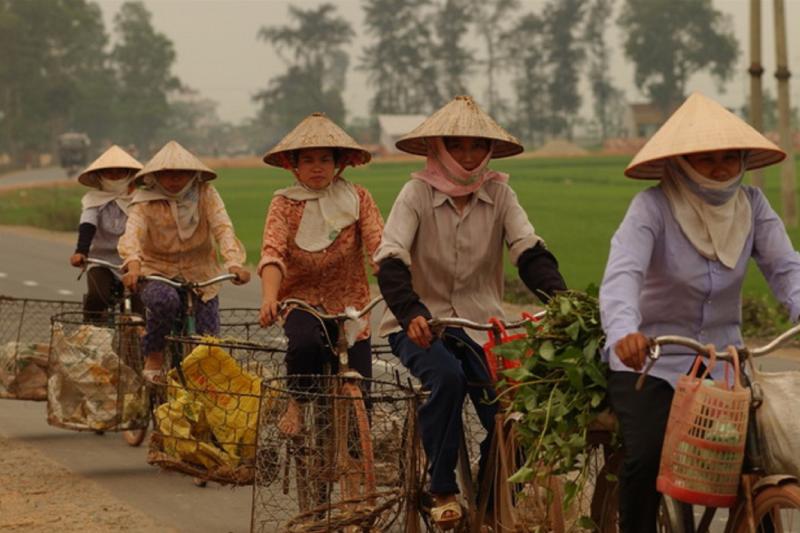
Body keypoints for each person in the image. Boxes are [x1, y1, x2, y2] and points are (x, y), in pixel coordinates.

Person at [600, 92, 800, 533]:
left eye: (730, 157)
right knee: (646, 455)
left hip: (723, 362)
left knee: (756, 458)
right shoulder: (651, 207)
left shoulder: (753, 206)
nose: (721, 168)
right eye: (706, 158)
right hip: (652, 361)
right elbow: (623, 275)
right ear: (682, 161)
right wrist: (624, 332)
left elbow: (787, 269)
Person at [374, 95, 567, 529]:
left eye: (477, 146)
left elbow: (528, 251)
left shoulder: (500, 194)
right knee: (446, 377)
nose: (467, 156)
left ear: (490, 150)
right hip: (420, 323)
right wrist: (410, 311)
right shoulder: (416, 193)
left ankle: (493, 493)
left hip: (480, 325)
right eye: (456, 146)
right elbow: (391, 257)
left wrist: (562, 300)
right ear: (437, 148)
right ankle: (441, 486)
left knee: (515, 408)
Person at [258, 112, 384, 434]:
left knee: (361, 396)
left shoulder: (358, 198)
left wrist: (387, 269)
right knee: (304, 345)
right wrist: (269, 298)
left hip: (351, 303)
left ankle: (355, 453)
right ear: (294, 166)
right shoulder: (284, 204)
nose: (317, 167)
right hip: (302, 300)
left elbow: (378, 244)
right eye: (309, 160)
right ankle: (297, 403)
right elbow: (273, 252)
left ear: (337, 164)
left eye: (325, 160)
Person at [118, 140, 250, 383]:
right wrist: (133, 264)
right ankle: (154, 354)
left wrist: (234, 263)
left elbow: (222, 227)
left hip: (201, 272)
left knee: (208, 340)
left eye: (181, 173)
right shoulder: (145, 199)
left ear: (193, 174)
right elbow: (133, 232)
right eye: (167, 174)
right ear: (155, 176)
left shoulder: (205, 194)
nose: (174, 180)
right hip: (157, 269)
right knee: (164, 301)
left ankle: (204, 385)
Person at [70, 145, 144, 320]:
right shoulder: (93, 200)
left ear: (129, 174)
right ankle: (91, 331)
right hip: (102, 260)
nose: (115, 176)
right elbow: (88, 224)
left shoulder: (140, 200)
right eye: (109, 172)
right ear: (100, 176)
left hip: (136, 259)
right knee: (97, 296)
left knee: (140, 300)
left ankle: (139, 335)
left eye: (120, 172)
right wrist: (81, 251)